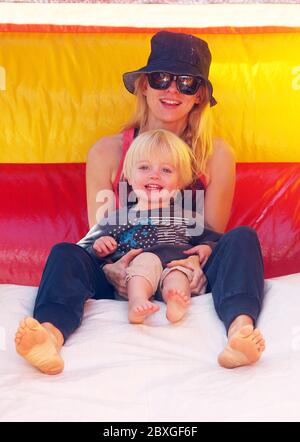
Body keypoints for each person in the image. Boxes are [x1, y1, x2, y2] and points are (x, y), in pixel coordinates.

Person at [15, 30, 265, 375]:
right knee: (65, 252)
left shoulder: (215, 154)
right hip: (122, 271)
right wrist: (112, 269)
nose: (172, 90)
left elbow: (210, 236)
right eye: (161, 79)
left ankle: (241, 330)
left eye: (187, 83)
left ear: (200, 97)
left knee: (242, 239)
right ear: (144, 85)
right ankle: (49, 335)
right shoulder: (108, 152)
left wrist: (192, 266)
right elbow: (100, 234)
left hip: (183, 269)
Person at [78, 129, 222, 324]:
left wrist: (207, 248)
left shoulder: (188, 218)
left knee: (179, 271)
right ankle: (137, 302)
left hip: (174, 268)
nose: (154, 175)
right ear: (128, 176)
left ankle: (175, 300)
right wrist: (99, 248)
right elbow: (82, 252)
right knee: (146, 259)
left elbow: (217, 242)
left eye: (166, 170)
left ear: (179, 182)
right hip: (136, 276)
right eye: (144, 167)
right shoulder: (116, 219)